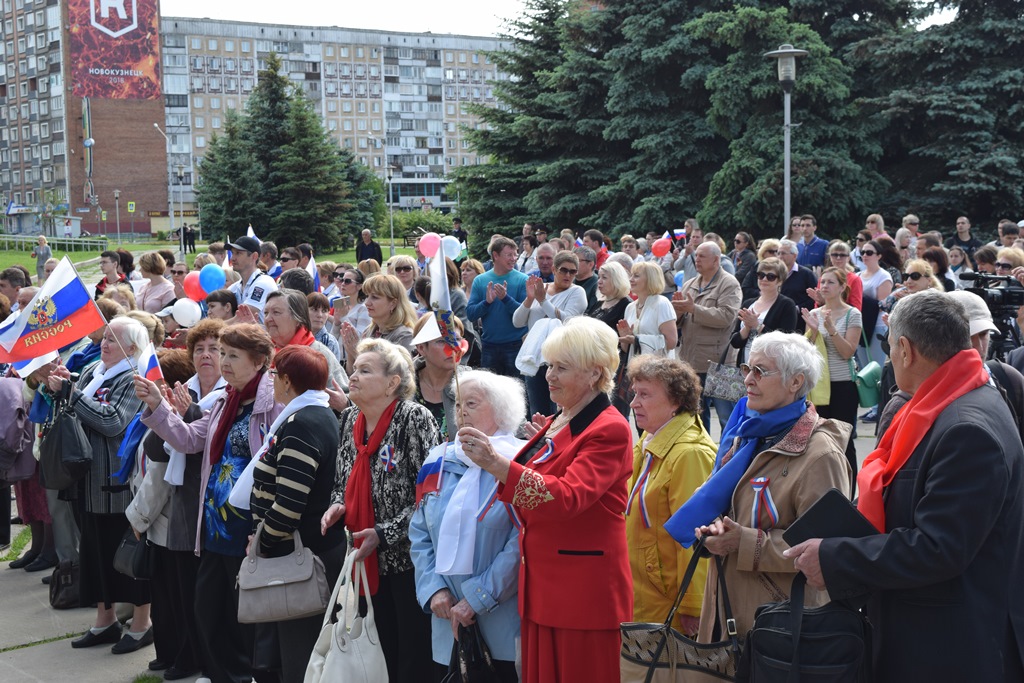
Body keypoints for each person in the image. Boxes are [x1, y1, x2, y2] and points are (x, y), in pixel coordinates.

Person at [788, 290, 1024, 683]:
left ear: (904, 348)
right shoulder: (953, 398)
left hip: (950, 646)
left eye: (888, 347)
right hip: (931, 632)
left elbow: (939, 548)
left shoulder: (966, 426)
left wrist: (835, 557)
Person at [458, 317, 633, 683]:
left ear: (594, 374)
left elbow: (566, 497)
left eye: (562, 368)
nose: (549, 375)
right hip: (546, 585)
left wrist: (495, 462)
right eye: (549, 365)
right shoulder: (563, 417)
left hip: (580, 592)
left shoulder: (610, 427)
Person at [665, 331, 852, 644]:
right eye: (746, 369)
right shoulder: (748, 435)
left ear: (796, 382)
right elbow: (731, 509)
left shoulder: (820, 455)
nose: (748, 380)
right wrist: (715, 531)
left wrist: (742, 542)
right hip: (727, 613)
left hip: (779, 628)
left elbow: (826, 547)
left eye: (760, 371)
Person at [138, 323, 282, 683]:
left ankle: (245, 674)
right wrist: (158, 407)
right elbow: (189, 440)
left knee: (243, 616)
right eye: (223, 353)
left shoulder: (272, 402)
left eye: (232, 355)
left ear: (260, 361)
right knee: (208, 611)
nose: (224, 362)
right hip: (215, 526)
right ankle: (224, 676)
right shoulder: (224, 400)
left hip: (247, 528)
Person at [321, 338, 440, 683]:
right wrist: (336, 506)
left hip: (408, 561)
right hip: (363, 557)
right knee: (377, 649)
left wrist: (385, 534)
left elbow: (430, 494)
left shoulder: (414, 419)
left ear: (392, 383)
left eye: (365, 370)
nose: (352, 376)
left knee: (412, 655)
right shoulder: (351, 418)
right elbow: (342, 477)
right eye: (354, 369)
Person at [409, 370, 526, 683]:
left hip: (501, 621)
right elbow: (419, 532)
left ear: (501, 410)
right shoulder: (437, 460)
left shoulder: (521, 462)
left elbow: (521, 543)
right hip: (446, 621)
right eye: (458, 403)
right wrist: (433, 589)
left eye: (471, 403)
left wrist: (477, 598)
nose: (460, 411)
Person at [45, 317, 152, 654]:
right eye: (103, 338)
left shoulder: (136, 378)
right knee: (95, 555)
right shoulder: (94, 372)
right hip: (86, 482)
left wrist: (72, 394)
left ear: (132, 348)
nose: (103, 344)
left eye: (112, 340)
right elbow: (77, 406)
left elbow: (112, 420)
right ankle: (104, 621)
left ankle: (141, 624)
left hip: (117, 485)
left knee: (126, 558)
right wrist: (63, 385)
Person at [247, 345, 346, 683]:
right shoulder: (316, 414)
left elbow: (289, 503)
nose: (271, 381)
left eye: (274, 375)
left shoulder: (303, 422)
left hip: (305, 557)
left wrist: (262, 541)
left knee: (303, 659)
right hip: (311, 551)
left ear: (287, 381)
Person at [626, 355, 716, 632]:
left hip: (666, 598)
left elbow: (695, 537)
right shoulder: (651, 437)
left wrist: (693, 605)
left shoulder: (690, 454)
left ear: (675, 402)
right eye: (634, 393)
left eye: (644, 395)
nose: (633, 403)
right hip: (644, 589)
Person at [125, 348, 198, 678]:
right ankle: (165, 652)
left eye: (155, 383)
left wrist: (137, 518)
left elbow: (158, 478)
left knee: (175, 598)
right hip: (155, 522)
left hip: (164, 520)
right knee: (162, 596)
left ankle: (180, 656)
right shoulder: (153, 414)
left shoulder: (173, 419)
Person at [674, 242, 743, 431]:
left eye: (702, 256)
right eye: (696, 256)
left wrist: (693, 309)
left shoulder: (729, 283)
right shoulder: (690, 283)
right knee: (695, 418)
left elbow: (727, 317)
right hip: (691, 362)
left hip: (721, 363)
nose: (697, 259)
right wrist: (678, 313)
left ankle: (729, 458)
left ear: (716, 259)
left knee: (727, 420)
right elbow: (681, 322)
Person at [802, 267, 863, 477]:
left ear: (842, 287)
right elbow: (806, 353)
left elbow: (847, 352)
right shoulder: (814, 314)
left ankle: (850, 491)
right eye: (822, 282)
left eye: (830, 282)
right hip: (819, 387)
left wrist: (831, 329)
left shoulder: (852, 314)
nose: (824, 286)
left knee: (843, 441)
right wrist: (814, 332)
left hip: (843, 385)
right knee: (819, 440)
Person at [515, 251, 588, 415]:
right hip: (535, 358)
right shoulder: (543, 289)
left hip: (559, 361)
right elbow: (517, 322)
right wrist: (529, 299)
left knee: (555, 411)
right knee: (536, 411)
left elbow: (567, 320)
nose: (568, 275)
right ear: (554, 270)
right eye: (564, 270)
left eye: (573, 271)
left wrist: (542, 300)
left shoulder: (577, 292)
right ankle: (539, 440)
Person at [263, 289, 348, 398]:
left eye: (276, 312)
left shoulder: (317, 353)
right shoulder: (262, 351)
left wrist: (342, 403)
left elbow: (346, 397)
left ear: (298, 318)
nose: (268, 319)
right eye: (266, 313)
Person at [466, 236, 529, 377]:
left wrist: (505, 299)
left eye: (515, 254)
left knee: (516, 392)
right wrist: (486, 302)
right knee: (490, 393)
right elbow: (470, 314)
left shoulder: (522, 280)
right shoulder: (480, 280)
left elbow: (524, 315)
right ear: (495, 255)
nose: (514, 258)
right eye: (509, 255)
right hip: (489, 346)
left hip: (516, 346)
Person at [340, 274, 418, 373]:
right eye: (367, 296)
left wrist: (356, 352)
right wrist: (350, 352)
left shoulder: (405, 336)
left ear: (393, 303)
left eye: (375, 297)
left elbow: (397, 377)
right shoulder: (369, 331)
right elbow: (352, 374)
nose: (367, 302)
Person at [731, 257, 799, 362]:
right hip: (744, 366)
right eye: (761, 275)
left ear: (780, 281)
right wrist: (747, 328)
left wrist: (757, 325)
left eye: (771, 277)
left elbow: (784, 342)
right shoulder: (748, 303)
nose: (764, 279)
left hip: (771, 367)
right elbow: (735, 343)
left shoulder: (786, 305)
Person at [412, 313, 465, 440]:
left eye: (456, 339)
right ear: (421, 348)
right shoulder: (401, 385)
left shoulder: (472, 385)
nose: (452, 347)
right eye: (441, 341)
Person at [619, 261, 677, 363]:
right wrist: (626, 338)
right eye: (631, 275)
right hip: (636, 370)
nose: (631, 279)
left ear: (651, 280)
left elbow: (671, 342)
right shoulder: (630, 307)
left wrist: (637, 339)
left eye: (636, 276)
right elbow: (627, 349)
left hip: (658, 370)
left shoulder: (662, 304)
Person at [228, 235, 279, 322]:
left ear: (254, 256)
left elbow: (241, 318)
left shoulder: (263, 282)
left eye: (238, 253)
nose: (232, 258)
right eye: (232, 253)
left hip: (265, 335)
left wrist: (210, 329)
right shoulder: (235, 287)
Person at [778, 239, 818, 330]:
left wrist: (796, 308)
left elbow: (815, 299)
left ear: (794, 256)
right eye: (778, 253)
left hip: (800, 323)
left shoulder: (806, 274)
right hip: (778, 321)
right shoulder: (774, 274)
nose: (780, 256)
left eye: (783, 253)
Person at [307, 292, 342, 362]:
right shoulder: (294, 334)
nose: (320, 315)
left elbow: (334, 371)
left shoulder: (330, 342)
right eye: (315, 309)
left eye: (324, 311)